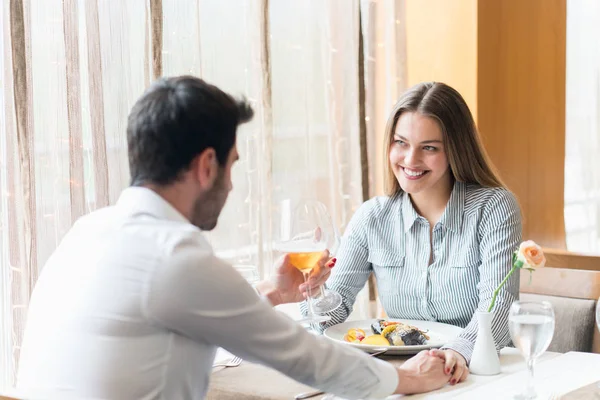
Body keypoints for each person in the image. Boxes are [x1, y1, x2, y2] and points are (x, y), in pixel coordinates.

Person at [16, 76, 451, 400]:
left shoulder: (85, 232)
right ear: (207, 165)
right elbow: (306, 357)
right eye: (232, 165)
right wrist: (409, 379)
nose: (231, 185)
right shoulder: (176, 257)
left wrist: (271, 292)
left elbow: (201, 317)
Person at [315, 82, 522, 385]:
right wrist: (312, 290)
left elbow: (499, 304)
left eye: (429, 148)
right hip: (407, 376)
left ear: (455, 150)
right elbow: (332, 313)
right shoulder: (372, 217)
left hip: (479, 374)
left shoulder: (494, 207)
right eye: (401, 142)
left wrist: (457, 352)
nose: (410, 160)